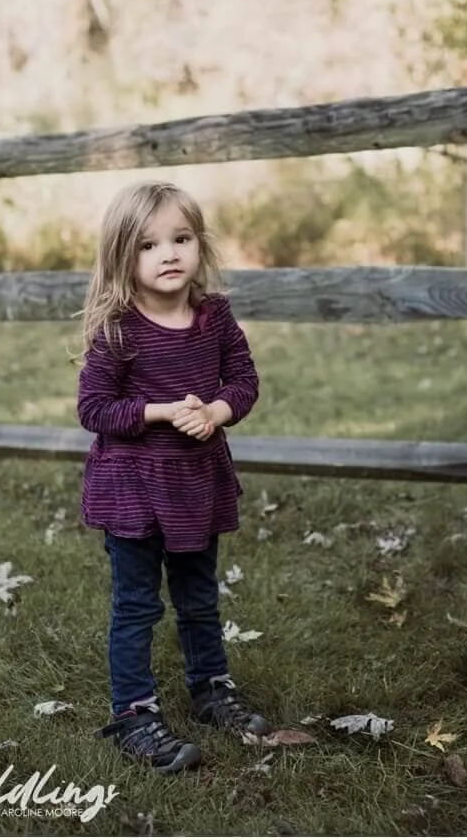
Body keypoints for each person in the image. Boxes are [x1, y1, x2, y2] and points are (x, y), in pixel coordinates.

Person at [77, 181, 270, 773]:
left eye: (181, 239)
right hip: (133, 491)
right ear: (121, 257)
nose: (168, 254)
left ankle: (211, 688)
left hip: (194, 487)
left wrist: (215, 411)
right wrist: (160, 411)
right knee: (136, 606)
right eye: (149, 245)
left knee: (198, 597)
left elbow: (245, 381)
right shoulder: (118, 329)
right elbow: (94, 410)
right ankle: (134, 713)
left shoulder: (215, 319)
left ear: (198, 245)